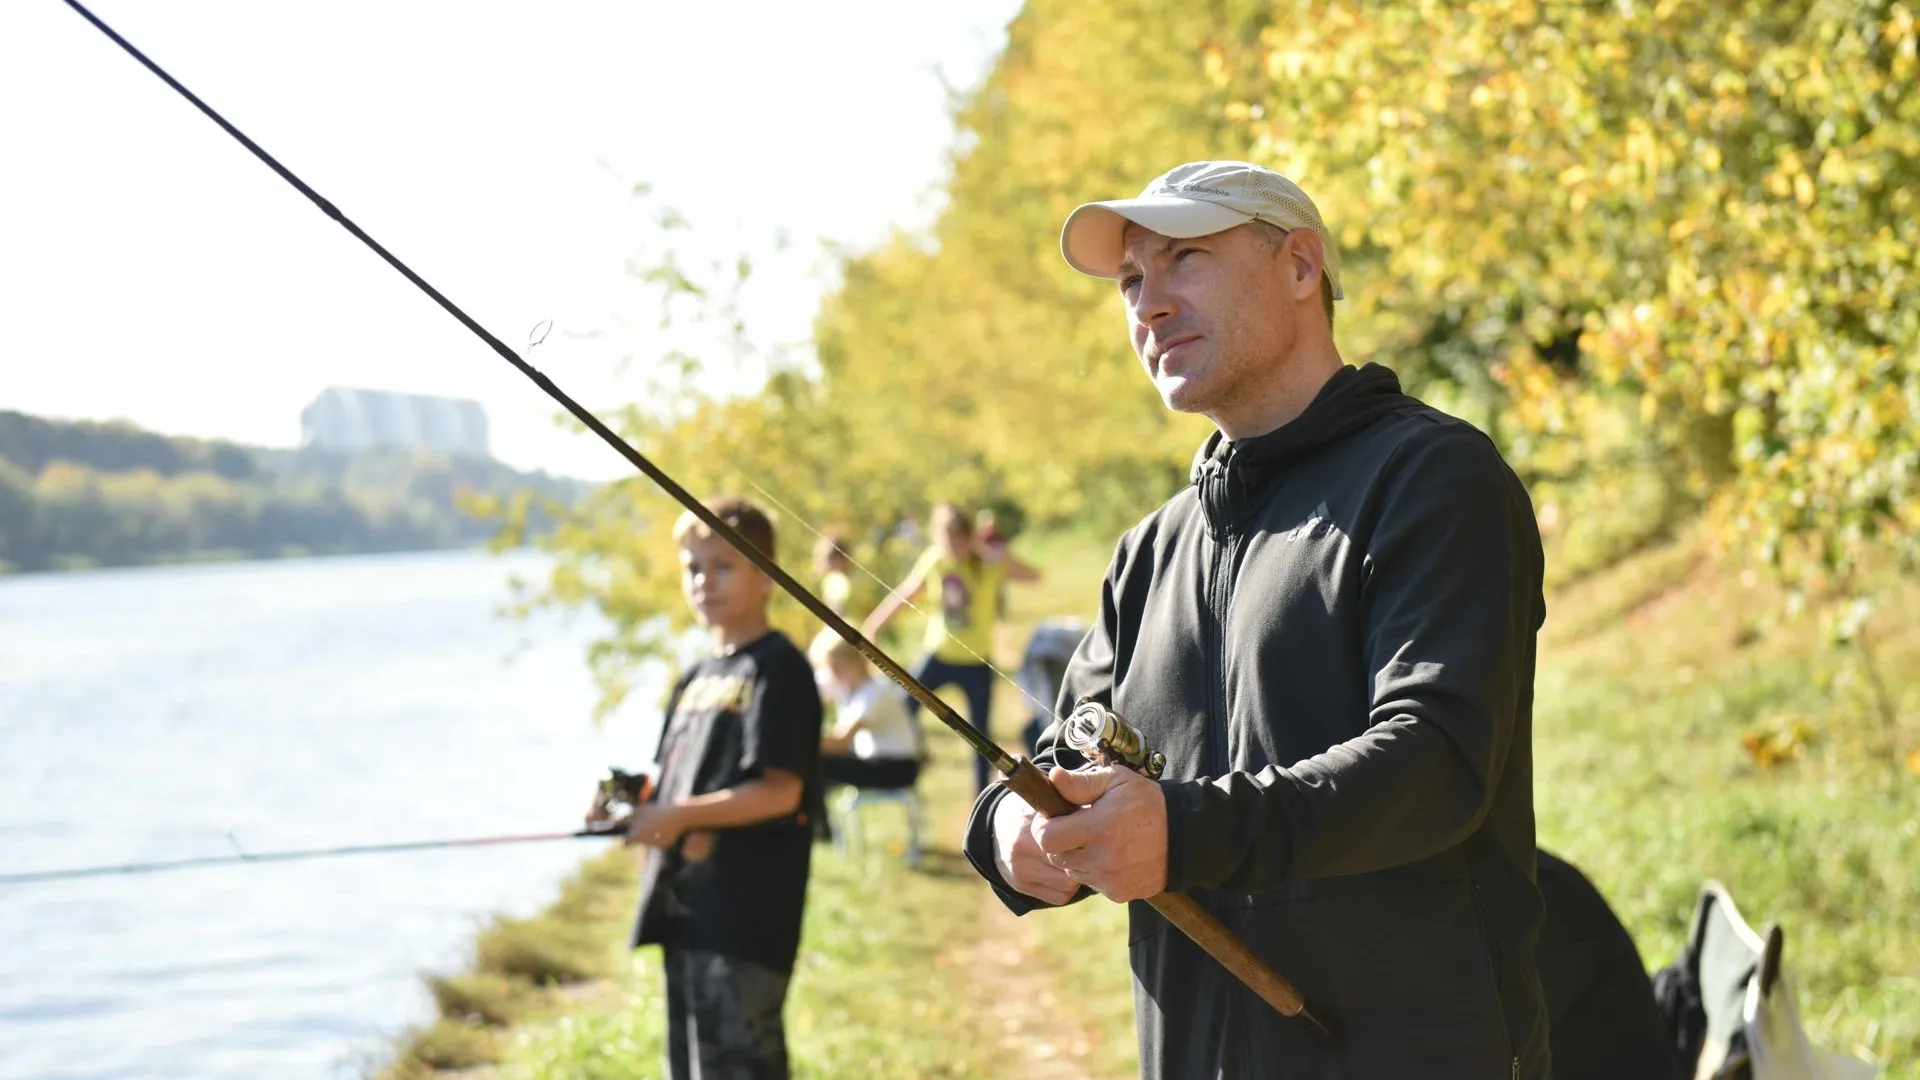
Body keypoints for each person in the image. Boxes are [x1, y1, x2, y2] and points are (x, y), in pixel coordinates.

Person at [962, 160, 1552, 1078]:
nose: (1147, 304)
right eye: (1129, 281)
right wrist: (1011, 834)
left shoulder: (1432, 478)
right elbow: (1064, 764)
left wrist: (1186, 830)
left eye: (1184, 259)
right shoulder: (1149, 550)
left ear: (1302, 266)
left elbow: (1438, 760)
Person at [597, 495, 823, 1080]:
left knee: (743, 1063)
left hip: (747, 915)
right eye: (693, 568)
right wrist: (627, 801)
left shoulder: (778, 668)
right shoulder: (696, 676)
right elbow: (669, 778)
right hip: (684, 909)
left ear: (765, 574)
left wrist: (675, 816)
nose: (704, 581)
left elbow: (780, 792)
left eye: (723, 565)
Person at [862, 502, 1038, 795]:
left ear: (970, 537)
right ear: (938, 538)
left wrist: (1006, 556)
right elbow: (907, 593)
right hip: (939, 655)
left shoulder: (989, 563)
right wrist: (872, 627)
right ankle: (909, 767)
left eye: (959, 539)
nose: (954, 547)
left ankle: (980, 799)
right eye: (947, 540)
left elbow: (1033, 576)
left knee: (982, 740)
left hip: (978, 662)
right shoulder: (935, 561)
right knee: (904, 711)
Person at [809, 629, 923, 792]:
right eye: (830, 667)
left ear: (857, 661)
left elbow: (840, 742)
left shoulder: (875, 691)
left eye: (838, 666)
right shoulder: (843, 684)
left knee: (818, 764)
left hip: (896, 767)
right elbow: (806, 691)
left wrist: (798, 741)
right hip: (873, 760)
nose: (834, 673)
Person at [812, 530, 856, 618]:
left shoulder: (836, 580)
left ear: (838, 558)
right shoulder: (833, 580)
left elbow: (837, 613)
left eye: (825, 558)